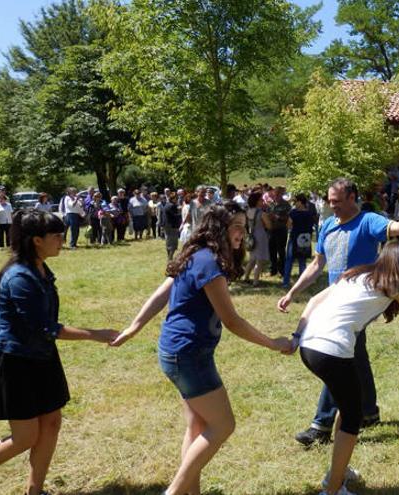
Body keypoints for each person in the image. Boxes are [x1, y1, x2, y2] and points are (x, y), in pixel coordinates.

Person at [110, 205, 293, 495]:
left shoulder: (195, 254)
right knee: (223, 425)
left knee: (197, 425)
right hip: (189, 356)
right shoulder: (208, 263)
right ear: (218, 228)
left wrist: (135, 326)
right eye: (235, 226)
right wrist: (274, 343)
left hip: (175, 352)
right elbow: (231, 321)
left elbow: (163, 292)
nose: (242, 232)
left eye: (243, 225)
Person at [0, 210, 117, 495]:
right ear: (37, 240)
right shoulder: (20, 277)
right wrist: (96, 334)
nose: (62, 240)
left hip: (42, 357)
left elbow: (4, 310)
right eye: (57, 236)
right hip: (15, 362)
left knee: (51, 424)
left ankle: (34, 491)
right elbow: (45, 328)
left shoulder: (40, 269)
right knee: (25, 437)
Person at [278, 177, 399, 446]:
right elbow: (316, 265)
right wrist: (293, 292)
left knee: (337, 355)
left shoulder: (368, 221)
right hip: (335, 298)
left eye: (337, 201)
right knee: (356, 357)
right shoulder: (328, 225)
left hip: (359, 304)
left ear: (353, 197)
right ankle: (369, 411)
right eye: (330, 201)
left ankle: (321, 424)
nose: (332, 206)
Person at [291, 242, 399, 495]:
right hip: (332, 349)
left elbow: (313, 300)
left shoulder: (355, 275)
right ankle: (333, 490)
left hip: (309, 346)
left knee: (347, 407)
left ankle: (339, 471)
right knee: (353, 416)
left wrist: (296, 336)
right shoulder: (395, 285)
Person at [283, 193, 317, 289]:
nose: (295, 203)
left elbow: (289, 225)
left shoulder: (293, 213)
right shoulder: (309, 213)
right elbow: (312, 225)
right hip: (305, 239)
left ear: (300, 202)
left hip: (294, 238)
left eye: (296, 201)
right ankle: (302, 283)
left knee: (289, 260)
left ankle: (286, 282)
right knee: (302, 261)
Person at [243, 192, 272, 287]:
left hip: (251, 235)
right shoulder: (262, 213)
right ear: (256, 201)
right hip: (261, 236)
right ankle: (255, 281)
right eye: (261, 200)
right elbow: (269, 226)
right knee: (260, 260)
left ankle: (246, 277)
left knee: (252, 259)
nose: (263, 201)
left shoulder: (247, 211)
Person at [268, 187, 291, 277]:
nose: (276, 196)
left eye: (278, 194)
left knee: (281, 251)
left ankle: (282, 270)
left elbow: (288, 217)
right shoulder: (271, 204)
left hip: (281, 230)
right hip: (271, 230)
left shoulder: (286, 204)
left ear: (281, 194)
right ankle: (273, 270)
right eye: (275, 194)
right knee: (272, 250)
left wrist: (277, 217)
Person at [162, 191, 182, 260]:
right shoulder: (172, 206)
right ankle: (170, 258)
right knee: (173, 242)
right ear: (173, 199)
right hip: (172, 226)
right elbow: (175, 216)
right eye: (176, 198)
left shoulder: (167, 205)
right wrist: (181, 212)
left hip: (166, 226)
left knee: (168, 241)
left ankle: (169, 256)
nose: (177, 200)